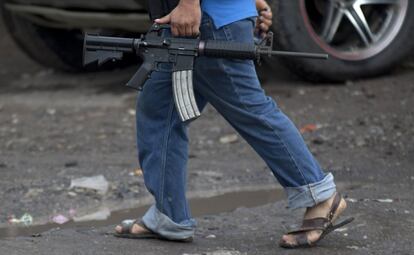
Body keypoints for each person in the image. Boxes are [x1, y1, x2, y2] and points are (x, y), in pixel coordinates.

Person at [115, 0, 353, 249]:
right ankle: (168, 215)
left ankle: (319, 195)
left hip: (205, 19)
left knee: (249, 108)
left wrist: (188, 3)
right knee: (159, 110)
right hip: (190, 17)